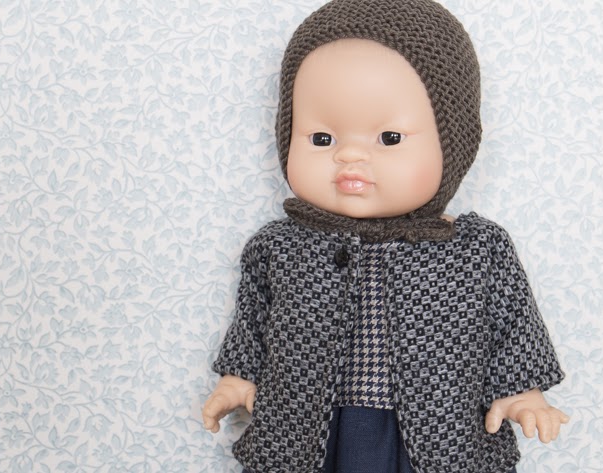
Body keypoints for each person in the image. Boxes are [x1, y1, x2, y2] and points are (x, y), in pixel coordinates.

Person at [202, 1, 568, 471]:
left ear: (451, 140)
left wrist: (521, 392)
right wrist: (237, 377)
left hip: (437, 430)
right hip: (312, 430)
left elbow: (512, 323)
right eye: (322, 139)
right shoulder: (280, 246)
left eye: (389, 138)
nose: (350, 157)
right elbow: (254, 319)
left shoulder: (476, 249)